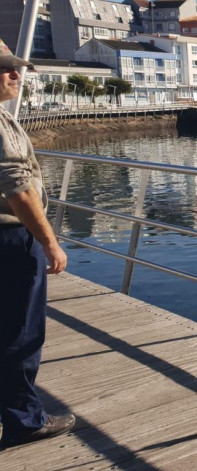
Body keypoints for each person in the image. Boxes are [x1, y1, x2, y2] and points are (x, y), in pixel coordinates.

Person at [0, 39, 74, 448]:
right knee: (20, 332)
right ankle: (24, 421)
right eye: (7, 68)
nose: (16, 74)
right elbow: (18, 190)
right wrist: (49, 242)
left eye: (16, 66)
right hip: (10, 238)